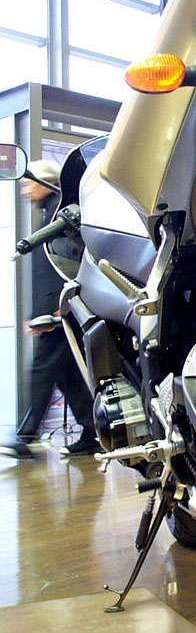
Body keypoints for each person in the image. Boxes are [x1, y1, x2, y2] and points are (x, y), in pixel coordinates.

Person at [0, 160, 99, 461]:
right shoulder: (49, 214)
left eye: (29, 183)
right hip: (57, 310)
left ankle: (25, 436)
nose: (25, 190)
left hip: (57, 312)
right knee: (67, 375)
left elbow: (62, 267)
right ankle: (92, 432)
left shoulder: (60, 216)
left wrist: (52, 310)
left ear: (46, 183)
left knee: (42, 370)